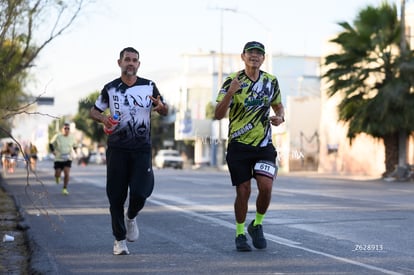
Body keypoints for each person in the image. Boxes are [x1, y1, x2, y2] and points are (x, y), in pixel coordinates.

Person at [89, 47, 168, 256]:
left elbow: (165, 108)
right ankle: (119, 240)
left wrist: (160, 107)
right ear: (120, 63)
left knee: (141, 192)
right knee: (116, 196)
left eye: (134, 60)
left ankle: (131, 216)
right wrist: (103, 118)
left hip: (142, 149)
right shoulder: (110, 88)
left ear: (139, 64)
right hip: (117, 149)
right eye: (127, 60)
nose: (131, 63)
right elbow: (94, 110)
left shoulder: (149, 86)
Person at [214, 41, 285, 252]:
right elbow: (218, 115)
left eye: (259, 53)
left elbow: (278, 105)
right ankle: (239, 233)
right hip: (238, 145)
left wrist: (280, 116)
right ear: (243, 56)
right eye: (251, 53)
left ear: (263, 58)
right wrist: (230, 93)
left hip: (264, 145)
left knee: (266, 187)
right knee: (243, 191)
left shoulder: (270, 81)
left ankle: (257, 224)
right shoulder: (231, 81)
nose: (255, 56)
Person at [49, 123, 77, 195]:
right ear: (62, 129)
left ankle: (64, 188)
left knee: (66, 173)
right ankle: (57, 177)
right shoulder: (58, 136)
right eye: (65, 128)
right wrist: (53, 151)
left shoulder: (72, 137)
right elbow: (51, 143)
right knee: (57, 172)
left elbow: (75, 145)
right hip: (58, 158)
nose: (66, 130)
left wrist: (75, 151)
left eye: (68, 128)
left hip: (68, 158)